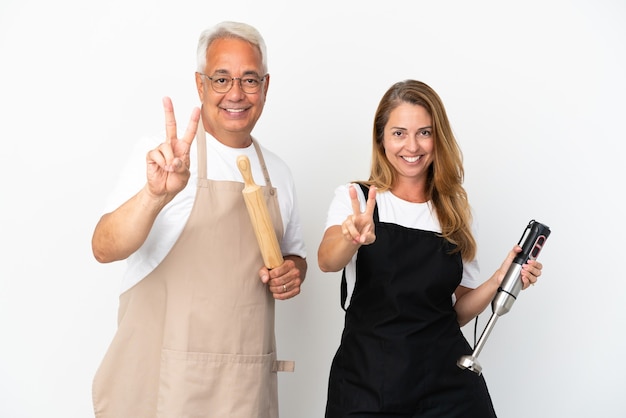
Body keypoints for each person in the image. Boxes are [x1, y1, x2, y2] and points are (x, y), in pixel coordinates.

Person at [91, 21, 307, 418]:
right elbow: (103, 248)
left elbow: (294, 258)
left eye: (250, 80)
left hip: (243, 389)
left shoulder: (278, 173)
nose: (236, 94)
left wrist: (293, 271)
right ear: (200, 84)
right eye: (221, 79)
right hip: (163, 387)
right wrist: (154, 196)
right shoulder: (164, 157)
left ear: (266, 85)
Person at [317, 79, 543, 417]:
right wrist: (351, 237)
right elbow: (327, 261)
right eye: (399, 133)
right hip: (368, 381)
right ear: (381, 138)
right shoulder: (358, 199)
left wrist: (499, 278)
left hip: (445, 384)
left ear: (439, 138)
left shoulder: (456, 212)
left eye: (424, 132)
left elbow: (458, 312)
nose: (412, 145)